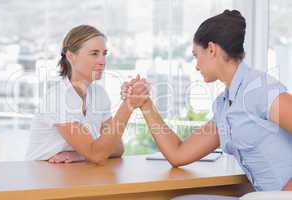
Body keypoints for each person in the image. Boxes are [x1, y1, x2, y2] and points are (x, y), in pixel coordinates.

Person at [122, 9, 292, 199]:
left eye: (196, 55)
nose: (196, 65)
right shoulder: (224, 107)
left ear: (212, 49)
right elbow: (178, 154)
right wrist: (146, 104)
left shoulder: (260, 89)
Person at [25, 25, 149, 164]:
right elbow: (97, 155)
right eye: (94, 53)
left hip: (74, 173)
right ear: (71, 57)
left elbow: (117, 148)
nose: (102, 61)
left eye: (104, 54)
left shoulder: (99, 94)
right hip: (41, 175)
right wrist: (128, 105)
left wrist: (81, 155)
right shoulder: (59, 98)